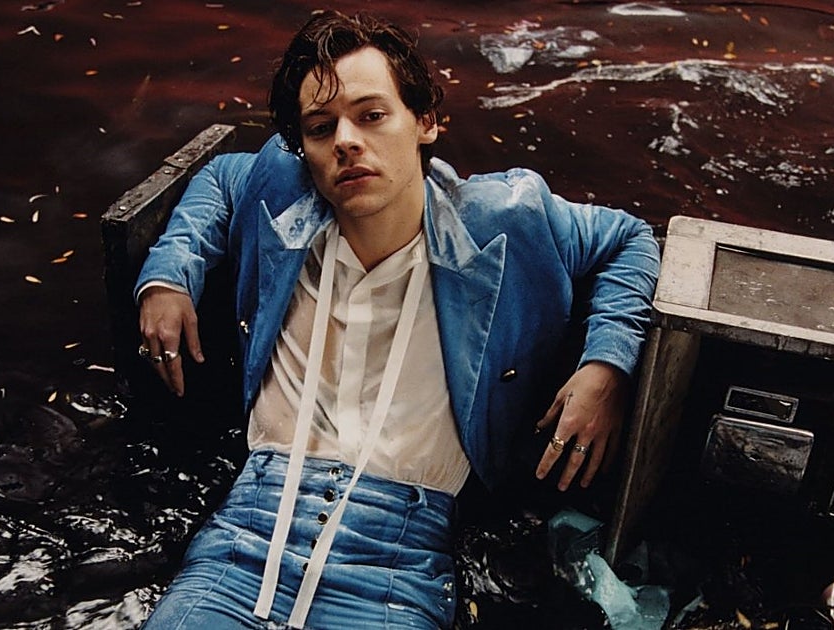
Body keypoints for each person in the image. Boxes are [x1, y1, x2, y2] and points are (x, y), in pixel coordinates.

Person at [135, 10, 659, 629]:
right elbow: (221, 178)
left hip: (396, 562)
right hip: (245, 531)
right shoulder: (283, 193)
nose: (346, 141)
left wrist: (607, 366)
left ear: (425, 122)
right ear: (303, 150)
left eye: (372, 115)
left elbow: (631, 239)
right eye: (321, 127)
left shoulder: (506, 216)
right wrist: (169, 274)